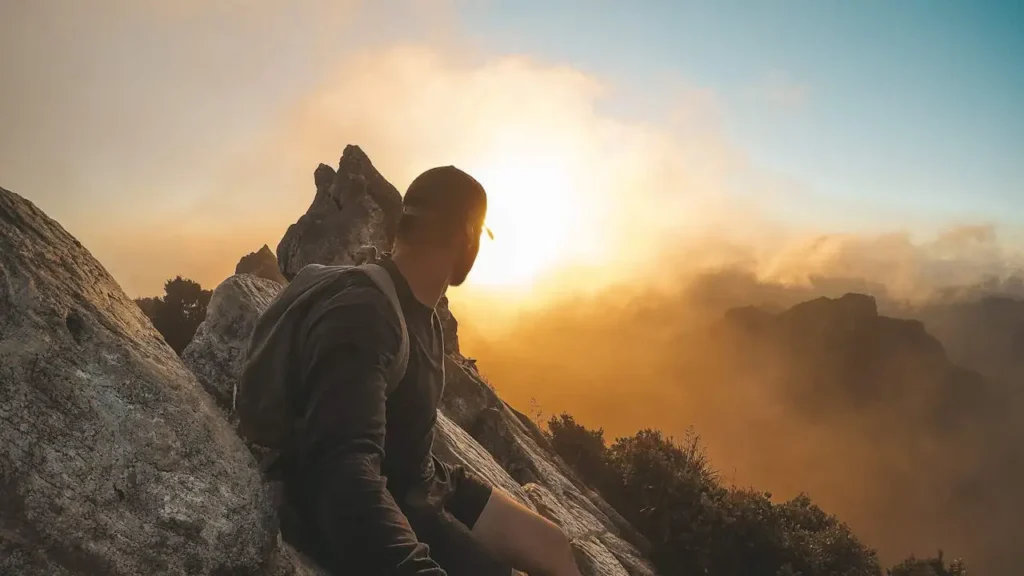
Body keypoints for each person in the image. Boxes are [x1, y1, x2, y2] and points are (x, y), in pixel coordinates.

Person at [246, 166, 583, 576]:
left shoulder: (420, 312)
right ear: (468, 235)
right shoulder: (365, 315)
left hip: (417, 479)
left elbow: (403, 435)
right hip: (367, 499)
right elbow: (342, 473)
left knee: (553, 548)